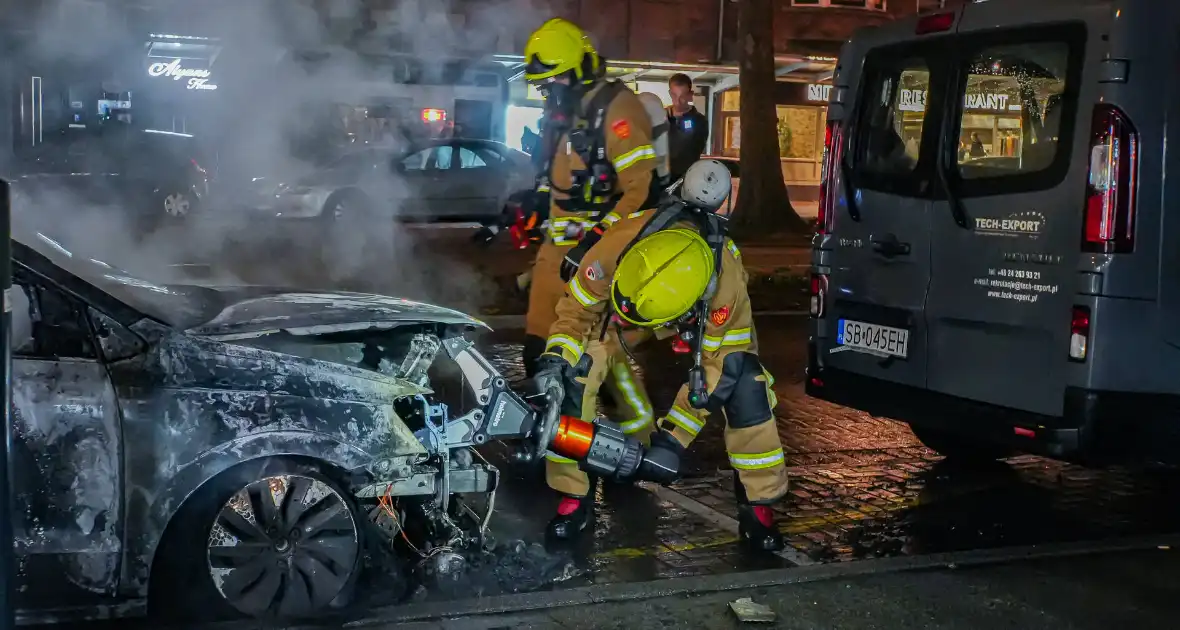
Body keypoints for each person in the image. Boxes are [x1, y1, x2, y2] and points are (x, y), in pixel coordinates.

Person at [536, 160, 789, 551]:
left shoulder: (726, 282)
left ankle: (758, 510)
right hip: (616, 320)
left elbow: (716, 370)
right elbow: (576, 312)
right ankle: (573, 500)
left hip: (693, 329)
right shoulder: (619, 242)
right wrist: (556, 360)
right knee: (574, 378)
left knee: (747, 384)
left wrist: (671, 442)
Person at [521, 18, 660, 523]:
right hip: (554, 266)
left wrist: (602, 243)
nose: (547, 91)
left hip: (590, 267)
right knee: (543, 356)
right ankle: (565, 443)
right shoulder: (568, 113)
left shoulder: (617, 110)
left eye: (553, 79)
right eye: (542, 83)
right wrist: (531, 203)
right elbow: (560, 181)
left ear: (578, 68)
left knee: (582, 368)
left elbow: (641, 191)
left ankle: (610, 460)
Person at [665, 73, 710, 182]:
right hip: (658, 180)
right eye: (674, 96)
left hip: (685, 180)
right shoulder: (659, 116)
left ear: (690, 94)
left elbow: (693, 150)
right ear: (670, 94)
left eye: (683, 96)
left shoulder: (699, 121)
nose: (678, 101)